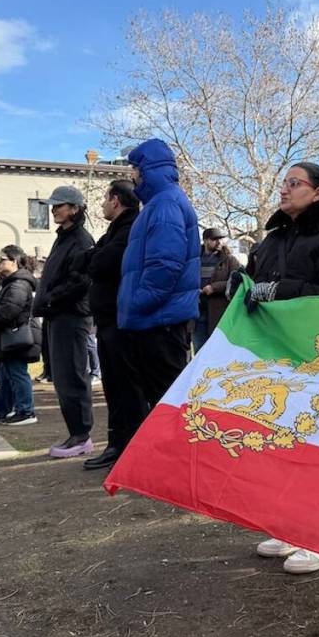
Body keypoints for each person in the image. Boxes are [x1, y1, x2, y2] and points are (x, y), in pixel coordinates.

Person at [238, 161, 319, 575]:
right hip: (279, 356)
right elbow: (257, 287)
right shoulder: (272, 240)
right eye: (283, 184)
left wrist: (281, 292)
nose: (284, 190)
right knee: (285, 439)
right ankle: (292, 526)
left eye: (295, 183)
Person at [111, 139, 198, 461]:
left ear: (146, 168)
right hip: (156, 318)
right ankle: (168, 465)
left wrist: (136, 305)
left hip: (158, 321)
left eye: (133, 168)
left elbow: (165, 266)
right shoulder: (162, 202)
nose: (131, 175)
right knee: (163, 399)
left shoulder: (164, 205)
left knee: (166, 399)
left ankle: (177, 467)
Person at [80, 180, 141, 470]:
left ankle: (125, 445)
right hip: (108, 318)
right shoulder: (115, 230)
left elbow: (101, 263)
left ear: (115, 200)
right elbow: (88, 259)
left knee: (123, 385)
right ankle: (119, 443)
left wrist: (95, 258)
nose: (102, 205)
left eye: (105, 199)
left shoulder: (128, 229)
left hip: (120, 319)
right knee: (115, 384)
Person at [32, 185, 96, 458]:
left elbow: (80, 281)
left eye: (60, 205)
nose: (54, 209)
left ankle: (81, 436)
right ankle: (76, 433)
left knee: (72, 375)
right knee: (62, 376)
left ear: (75, 208)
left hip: (71, 315)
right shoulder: (65, 237)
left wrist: (50, 299)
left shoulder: (80, 240)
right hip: (58, 314)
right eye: (54, 205)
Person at [0, 245, 40, 425]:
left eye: (2, 259)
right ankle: (1, 409)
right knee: (8, 374)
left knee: (17, 372)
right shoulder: (9, 284)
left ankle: (26, 411)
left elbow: (8, 311)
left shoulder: (19, 284)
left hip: (16, 337)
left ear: (14, 262)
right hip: (8, 337)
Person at [193, 227, 241, 352]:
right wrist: (193, 289)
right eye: (214, 239)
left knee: (218, 351)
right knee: (199, 351)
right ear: (205, 240)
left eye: (220, 239)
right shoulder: (193, 259)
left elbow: (239, 280)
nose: (219, 242)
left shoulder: (229, 260)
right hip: (197, 313)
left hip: (219, 313)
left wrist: (214, 287)